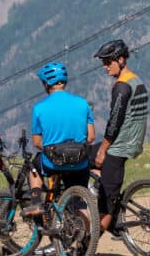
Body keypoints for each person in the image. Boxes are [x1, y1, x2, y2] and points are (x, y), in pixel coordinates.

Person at [89, 39, 149, 234]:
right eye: (103, 63)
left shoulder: (121, 87)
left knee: (107, 202)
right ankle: (100, 183)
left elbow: (114, 123)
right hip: (133, 140)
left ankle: (86, 244)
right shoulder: (136, 80)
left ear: (121, 60)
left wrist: (103, 151)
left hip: (119, 144)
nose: (105, 67)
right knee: (88, 157)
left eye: (109, 62)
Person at [22, 62, 95, 217]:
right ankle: (87, 237)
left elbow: (36, 142)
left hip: (52, 163)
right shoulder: (83, 103)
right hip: (79, 162)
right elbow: (91, 137)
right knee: (79, 202)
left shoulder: (39, 108)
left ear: (46, 83)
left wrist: (52, 149)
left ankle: (36, 203)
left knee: (33, 166)